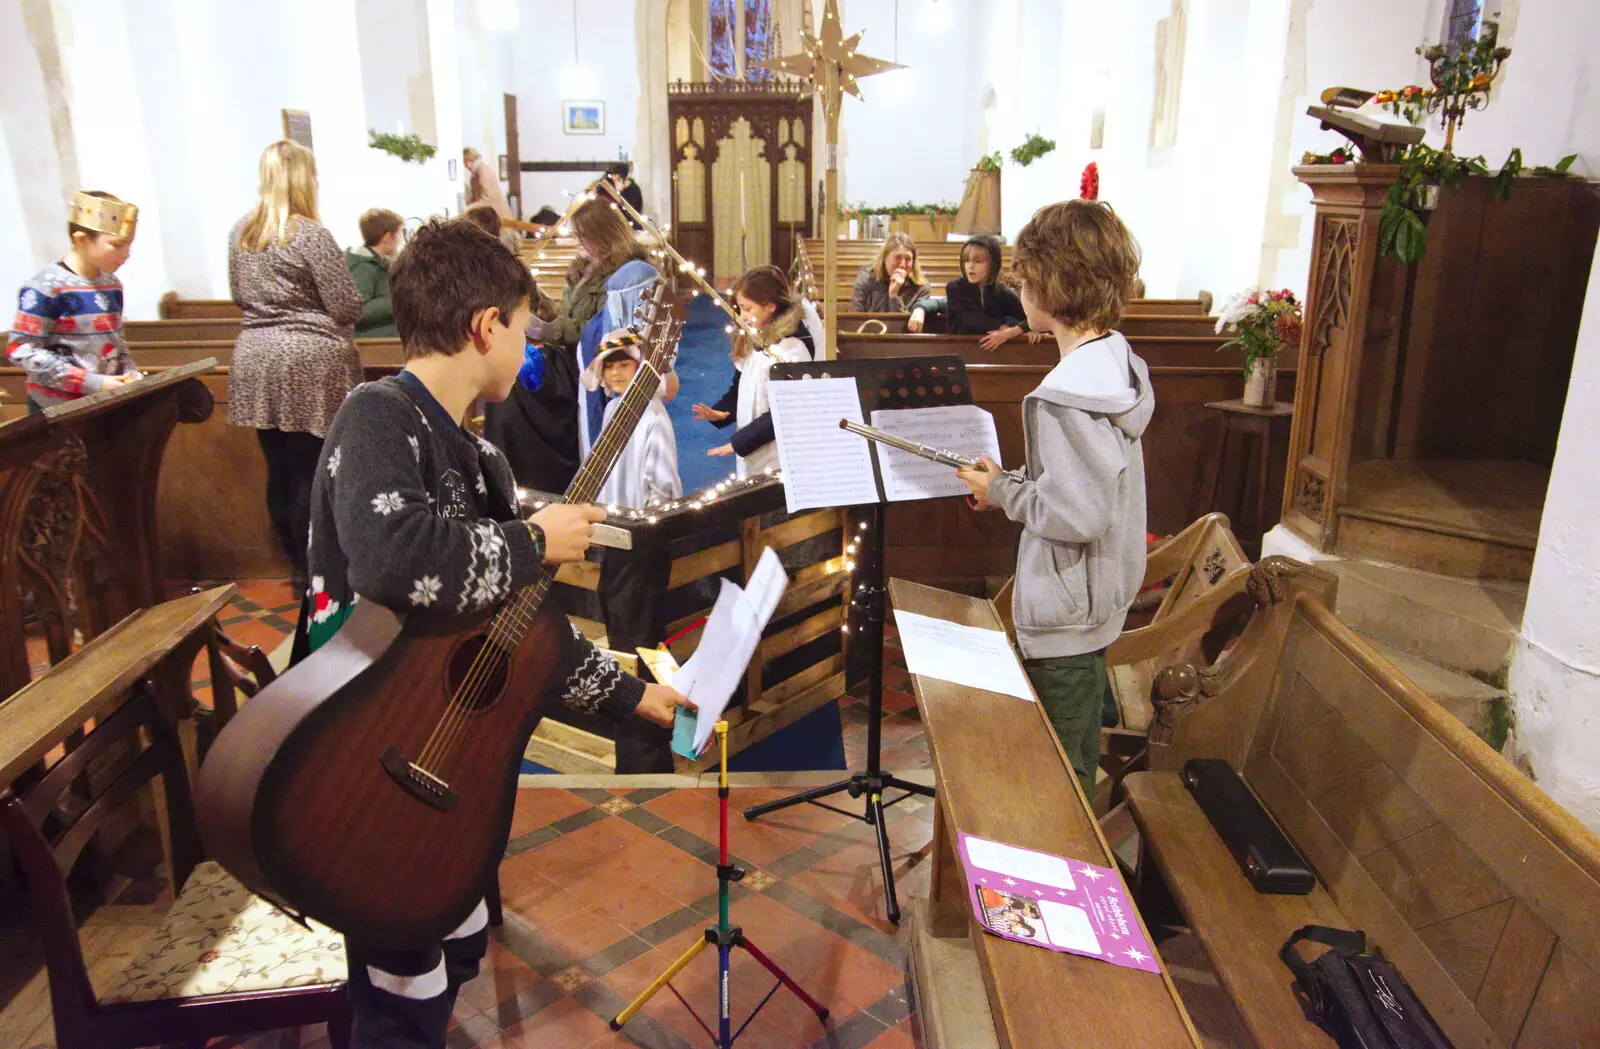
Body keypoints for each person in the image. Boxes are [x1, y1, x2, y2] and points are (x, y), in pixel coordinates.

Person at [301, 217, 692, 1048]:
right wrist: (535, 538)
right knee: (398, 986)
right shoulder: (378, 417)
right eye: (523, 328)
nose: (528, 349)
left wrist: (634, 695)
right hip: (367, 745)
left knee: (455, 945)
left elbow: (523, 630)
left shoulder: (482, 460)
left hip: (447, 754)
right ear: (485, 326)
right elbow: (389, 558)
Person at [955, 200, 1152, 802]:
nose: (1016, 288)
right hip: (1093, 604)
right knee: (1075, 762)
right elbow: (1084, 484)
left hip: (1066, 617)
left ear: (1049, 285)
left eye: (1022, 277)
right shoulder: (1113, 363)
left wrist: (1005, 491)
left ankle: (1075, 887)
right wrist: (1010, 483)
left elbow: (1077, 515)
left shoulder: (1066, 395)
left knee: (1061, 791)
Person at [228, 140, 363, 598]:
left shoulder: (240, 234)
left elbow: (237, 295)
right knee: (313, 470)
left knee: (280, 470)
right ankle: (319, 567)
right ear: (303, 178)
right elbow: (345, 305)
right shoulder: (310, 234)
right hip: (310, 362)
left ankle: (296, 567)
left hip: (256, 359)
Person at [483, 194, 668, 493]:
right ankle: (512, 473)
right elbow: (569, 318)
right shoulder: (580, 269)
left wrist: (549, 330)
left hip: (594, 361)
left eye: (583, 237)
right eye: (575, 237)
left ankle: (539, 475)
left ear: (603, 234)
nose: (577, 244)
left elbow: (601, 329)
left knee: (520, 390)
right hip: (568, 354)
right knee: (509, 376)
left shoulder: (626, 274)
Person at [8, 191, 142, 411]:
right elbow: (22, 349)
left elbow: (116, 342)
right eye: (117, 245)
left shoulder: (112, 284)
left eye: (129, 244)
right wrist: (92, 383)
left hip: (104, 402)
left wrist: (129, 373)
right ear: (81, 239)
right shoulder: (46, 286)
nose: (126, 254)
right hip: (56, 407)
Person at [692, 265, 820, 478]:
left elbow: (784, 412)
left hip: (777, 452)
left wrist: (738, 443)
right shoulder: (755, 336)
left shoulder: (791, 349)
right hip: (752, 441)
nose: (741, 315)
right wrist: (722, 412)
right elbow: (739, 386)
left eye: (747, 308)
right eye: (739, 308)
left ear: (770, 307)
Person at [583, 329, 682, 510]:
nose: (615, 373)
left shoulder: (653, 416)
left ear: (639, 367)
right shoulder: (612, 408)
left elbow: (662, 483)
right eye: (609, 366)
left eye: (623, 365)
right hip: (612, 510)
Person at [944, 234, 1047, 351]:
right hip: (962, 349)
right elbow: (975, 318)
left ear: (992, 265)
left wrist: (1012, 332)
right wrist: (1013, 331)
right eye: (966, 261)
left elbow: (1028, 318)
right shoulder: (954, 288)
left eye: (977, 262)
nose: (970, 267)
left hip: (995, 353)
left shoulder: (1001, 291)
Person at [346, 208, 403, 338]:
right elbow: (357, 313)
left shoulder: (381, 264)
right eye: (399, 234)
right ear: (388, 237)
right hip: (371, 346)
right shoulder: (363, 267)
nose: (400, 241)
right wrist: (397, 300)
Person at [848, 232, 931, 314]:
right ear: (884, 258)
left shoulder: (921, 288)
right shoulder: (865, 280)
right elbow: (854, 319)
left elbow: (905, 326)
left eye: (908, 259)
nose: (902, 264)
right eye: (897, 257)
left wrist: (894, 295)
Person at [462, 147, 511, 219]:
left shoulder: (482, 171)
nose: (464, 166)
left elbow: (487, 197)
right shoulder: (477, 172)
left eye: (464, 162)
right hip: (490, 216)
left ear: (468, 160)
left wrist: (469, 208)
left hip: (497, 216)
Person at [605, 161, 646, 228]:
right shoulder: (620, 191)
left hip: (632, 228)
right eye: (614, 180)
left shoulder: (634, 190)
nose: (615, 183)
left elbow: (631, 213)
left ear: (622, 178)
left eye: (617, 180)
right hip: (622, 227)